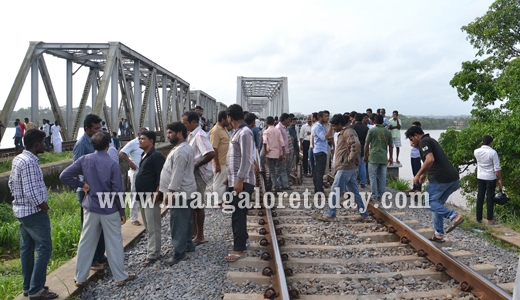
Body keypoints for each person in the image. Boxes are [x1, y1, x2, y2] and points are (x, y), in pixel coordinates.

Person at [60, 132, 136, 287]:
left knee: (86, 242)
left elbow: (64, 175)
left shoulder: (85, 159)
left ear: (93, 145)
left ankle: (80, 278)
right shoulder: (112, 164)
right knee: (114, 242)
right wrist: (122, 211)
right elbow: (118, 191)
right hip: (109, 209)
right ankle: (120, 276)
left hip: (91, 206)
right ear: (109, 145)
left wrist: (82, 185)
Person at [9, 129, 58, 300]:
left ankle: (28, 286)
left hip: (22, 212)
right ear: (36, 144)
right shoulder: (29, 162)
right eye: (43, 142)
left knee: (27, 249)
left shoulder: (18, 159)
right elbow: (30, 191)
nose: (45, 145)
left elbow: (11, 183)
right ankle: (36, 290)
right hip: (34, 212)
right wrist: (43, 206)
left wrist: (20, 201)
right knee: (45, 247)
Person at [405, 126, 464, 242]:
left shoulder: (424, 141)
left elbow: (430, 160)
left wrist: (417, 174)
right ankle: (439, 234)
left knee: (427, 202)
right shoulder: (430, 140)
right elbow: (434, 161)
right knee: (437, 204)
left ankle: (454, 216)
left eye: (411, 139)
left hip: (441, 179)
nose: (411, 143)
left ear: (417, 135)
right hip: (453, 179)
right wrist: (424, 174)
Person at [315, 114, 369, 222]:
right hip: (347, 167)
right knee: (354, 191)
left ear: (340, 124)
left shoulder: (348, 132)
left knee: (335, 190)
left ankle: (331, 215)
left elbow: (356, 145)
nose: (333, 128)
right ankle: (364, 214)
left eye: (334, 126)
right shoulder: (343, 132)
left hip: (346, 167)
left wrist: (350, 159)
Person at [160, 122, 197, 265]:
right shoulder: (183, 148)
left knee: (178, 222)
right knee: (186, 220)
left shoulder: (181, 151)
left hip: (180, 193)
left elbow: (177, 174)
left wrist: (170, 192)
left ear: (179, 133)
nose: (168, 135)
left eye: (170, 133)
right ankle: (188, 244)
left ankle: (179, 253)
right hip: (185, 191)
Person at [72, 114, 106, 270]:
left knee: (100, 225)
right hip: (87, 191)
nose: (99, 131)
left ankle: (100, 256)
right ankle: (92, 260)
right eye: (96, 129)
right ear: (87, 129)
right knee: (89, 228)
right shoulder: (81, 144)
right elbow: (76, 167)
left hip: (98, 189)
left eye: (100, 128)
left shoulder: (96, 141)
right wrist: (84, 184)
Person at [224, 104, 256, 262]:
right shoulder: (237, 132)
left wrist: (239, 180)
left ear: (230, 117)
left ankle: (238, 250)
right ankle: (243, 240)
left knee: (238, 215)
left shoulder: (244, 133)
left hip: (241, 181)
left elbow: (247, 159)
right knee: (239, 213)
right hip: (235, 180)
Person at [182, 111, 215, 246]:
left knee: (198, 205)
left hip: (199, 174)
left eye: (185, 123)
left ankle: (200, 236)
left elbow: (210, 153)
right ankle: (195, 233)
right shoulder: (192, 135)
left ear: (193, 122)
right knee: (194, 204)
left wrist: (196, 164)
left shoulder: (200, 136)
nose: (184, 126)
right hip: (195, 173)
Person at [136, 131, 165, 267]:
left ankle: (153, 254)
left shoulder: (156, 156)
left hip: (151, 196)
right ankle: (152, 249)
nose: (140, 141)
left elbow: (162, 177)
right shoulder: (144, 154)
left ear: (151, 141)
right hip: (143, 196)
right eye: (139, 138)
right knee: (148, 225)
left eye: (143, 139)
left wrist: (157, 193)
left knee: (153, 225)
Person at [119, 127, 147, 226]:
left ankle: (145, 215)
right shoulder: (133, 143)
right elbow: (122, 152)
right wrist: (130, 162)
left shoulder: (146, 143)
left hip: (144, 171)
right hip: (136, 171)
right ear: (138, 134)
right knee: (134, 194)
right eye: (142, 134)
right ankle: (133, 218)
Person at [474, 135, 502, 225]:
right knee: (490, 198)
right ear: (491, 143)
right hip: (490, 178)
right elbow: (497, 168)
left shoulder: (476, 151)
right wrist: (500, 179)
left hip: (480, 177)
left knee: (480, 197)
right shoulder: (493, 153)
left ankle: (478, 218)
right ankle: (490, 220)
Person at [364, 115, 393, 202]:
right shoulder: (387, 132)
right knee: (383, 177)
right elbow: (391, 146)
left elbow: (366, 144)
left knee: (372, 176)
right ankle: (381, 196)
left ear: (374, 121)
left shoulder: (372, 130)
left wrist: (365, 156)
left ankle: (374, 196)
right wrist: (391, 157)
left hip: (374, 156)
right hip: (384, 157)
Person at [209, 111, 230, 206]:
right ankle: (218, 202)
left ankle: (221, 200)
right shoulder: (216, 130)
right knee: (219, 182)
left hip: (225, 161)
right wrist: (216, 164)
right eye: (227, 118)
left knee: (223, 182)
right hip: (220, 162)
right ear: (222, 119)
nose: (229, 120)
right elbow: (214, 148)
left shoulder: (223, 128)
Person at [263, 116, 286, 192]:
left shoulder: (266, 131)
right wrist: (284, 154)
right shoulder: (277, 131)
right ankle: (269, 186)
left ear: (266, 123)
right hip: (277, 154)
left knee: (272, 171)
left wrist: (266, 151)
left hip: (269, 154)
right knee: (272, 170)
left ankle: (277, 186)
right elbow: (282, 143)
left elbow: (265, 142)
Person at [313, 111, 330, 194]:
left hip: (320, 150)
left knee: (317, 170)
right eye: (325, 116)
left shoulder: (322, 126)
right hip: (320, 151)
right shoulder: (318, 127)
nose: (327, 118)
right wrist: (332, 128)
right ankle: (319, 189)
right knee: (320, 171)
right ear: (320, 118)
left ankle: (317, 188)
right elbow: (323, 138)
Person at [350, 113, 369, 188]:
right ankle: (363, 182)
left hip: (354, 148)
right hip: (363, 148)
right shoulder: (366, 128)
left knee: (354, 165)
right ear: (362, 119)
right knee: (363, 165)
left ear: (355, 118)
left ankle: (354, 181)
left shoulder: (351, 127)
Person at [275, 113, 291, 190]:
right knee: (279, 169)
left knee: (283, 168)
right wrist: (282, 154)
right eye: (288, 119)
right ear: (284, 119)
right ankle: (278, 185)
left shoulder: (284, 127)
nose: (289, 121)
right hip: (281, 153)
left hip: (285, 152)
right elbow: (278, 142)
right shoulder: (278, 128)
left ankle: (284, 185)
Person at [406, 121, 422, 194]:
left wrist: (414, 144)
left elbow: (417, 145)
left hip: (418, 155)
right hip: (413, 154)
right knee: (414, 172)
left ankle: (418, 189)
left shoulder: (421, 137)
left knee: (418, 172)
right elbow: (412, 144)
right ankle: (414, 187)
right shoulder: (413, 136)